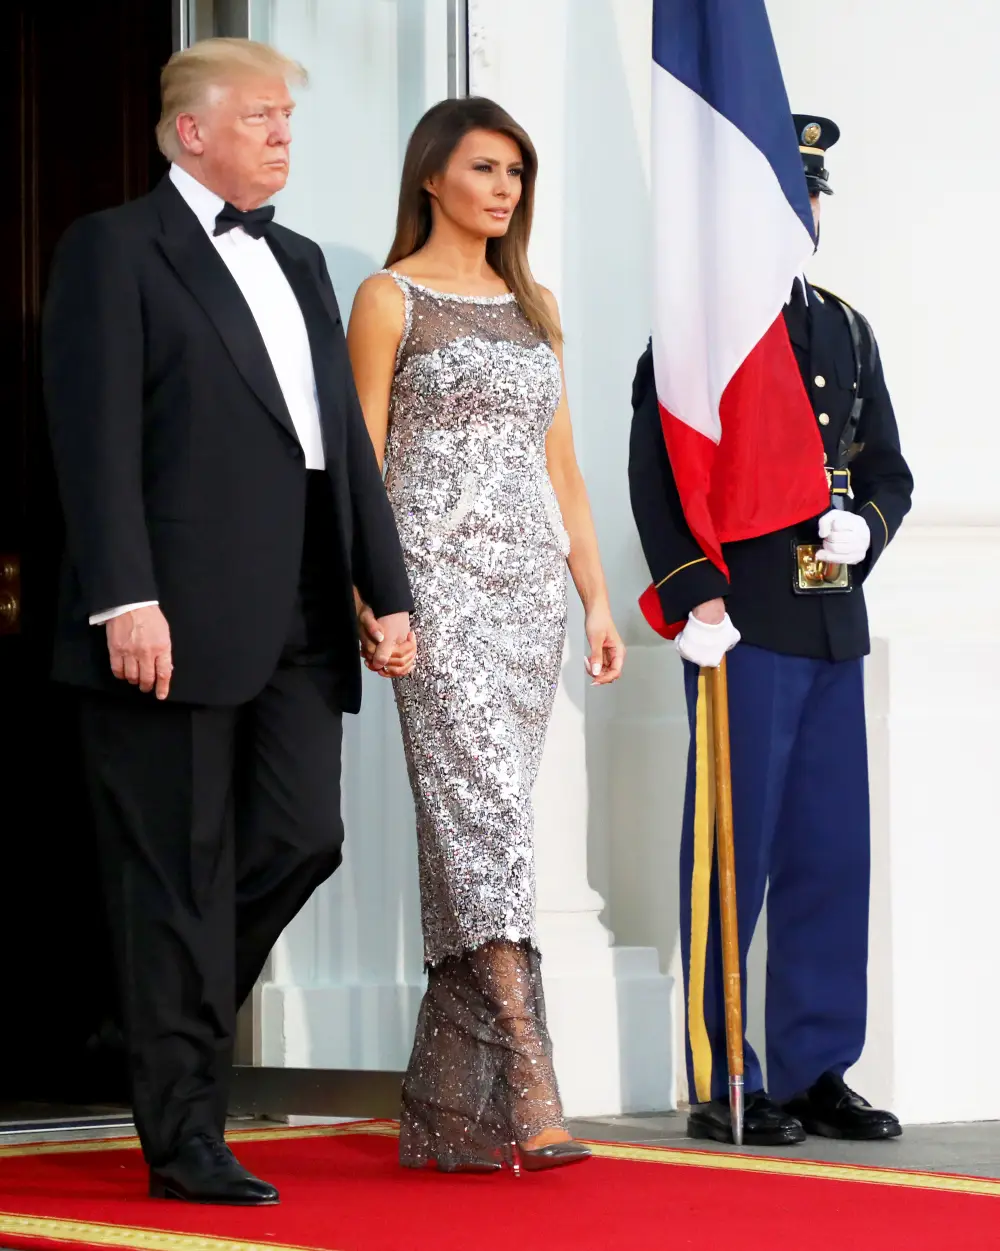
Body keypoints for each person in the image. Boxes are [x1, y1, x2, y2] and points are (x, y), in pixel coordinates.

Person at [42, 38, 413, 1203]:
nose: (282, 135)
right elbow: (93, 437)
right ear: (189, 131)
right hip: (168, 614)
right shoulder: (114, 247)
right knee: (174, 876)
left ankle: (158, 1014)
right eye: (262, 116)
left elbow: (338, 443)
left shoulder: (298, 259)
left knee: (304, 837)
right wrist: (124, 595)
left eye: (288, 119)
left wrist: (382, 586)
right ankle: (185, 1137)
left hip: (299, 603)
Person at [346, 96, 625, 1173]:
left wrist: (595, 600)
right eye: (482, 167)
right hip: (435, 590)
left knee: (493, 820)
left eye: (515, 170)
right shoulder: (387, 297)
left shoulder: (534, 303)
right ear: (431, 177)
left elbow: (564, 473)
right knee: (477, 822)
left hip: (525, 599)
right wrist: (373, 597)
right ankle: (529, 1071)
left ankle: (447, 1115)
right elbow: (361, 463)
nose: (503, 187)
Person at [629, 115, 913, 1146]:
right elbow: (658, 477)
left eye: (813, 199)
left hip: (833, 619)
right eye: (785, 199)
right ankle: (726, 1075)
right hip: (741, 624)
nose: (805, 216)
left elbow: (888, 471)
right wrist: (694, 591)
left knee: (829, 855)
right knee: (730, 854)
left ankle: (812, 1064)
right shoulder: (696, 337)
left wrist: (865, 526)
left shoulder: (843, 327)